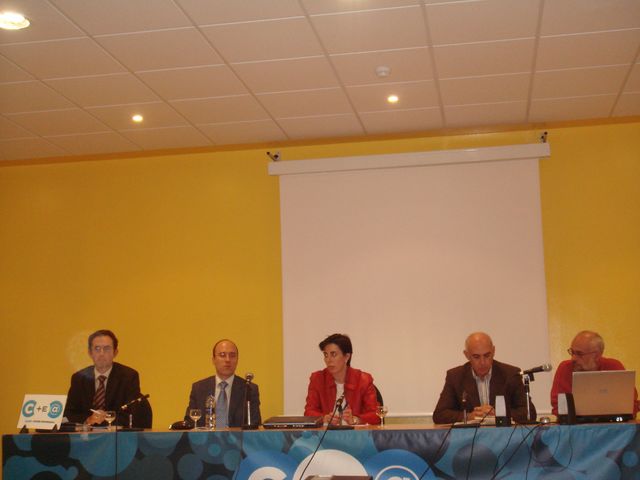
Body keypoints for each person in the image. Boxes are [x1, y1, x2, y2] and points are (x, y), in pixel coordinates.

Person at [433, 332, 533, 424]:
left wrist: (499, 414)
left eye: (487, 355)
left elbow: (530, 413)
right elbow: (439, 415)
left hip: (504, 436)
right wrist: (468, 416)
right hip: (470, 437)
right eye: (476, 357)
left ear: (493, 351)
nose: (482, 362)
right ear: (467, 355)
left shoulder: (510, 374)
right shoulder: (455, 376)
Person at [64, 329, 152, 428]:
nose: (101, 353)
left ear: (115, 352)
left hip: (116, 434)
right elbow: (69, 414)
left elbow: (132, 414)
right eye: (97, 348)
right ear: (90, 353)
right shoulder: (79, 378)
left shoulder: (128, 377)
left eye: (107, 348)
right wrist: (88, 419)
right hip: (86, 434)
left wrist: (106, 419)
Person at [550, 330, 639, 416]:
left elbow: (631, 403)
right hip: (575, 425)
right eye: (572, 352)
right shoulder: (565, 368)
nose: (573, 358)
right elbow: (558, 406)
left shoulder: (614, 367)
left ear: (596, 355)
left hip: (613, 424)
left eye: (579, 354)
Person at [304, 333, 380, 425]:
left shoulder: (363, 380)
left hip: (355, 433)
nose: (328, 360)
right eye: (326, 355)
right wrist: (324, 418)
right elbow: (309, 412)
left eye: (333, 354)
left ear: (347, 357)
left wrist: (355, 419)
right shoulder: (317, 379)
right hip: (326, 433)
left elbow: (376, 415)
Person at [185, 339, 261, 427]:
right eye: (222, 355)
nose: (228, 360)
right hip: (206, 436)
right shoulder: (199, 388)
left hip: (237, 436)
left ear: (237, 360)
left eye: (232, 355)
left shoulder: (249, 389)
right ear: (213, 360)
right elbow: (189, 423)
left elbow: (255, 423)